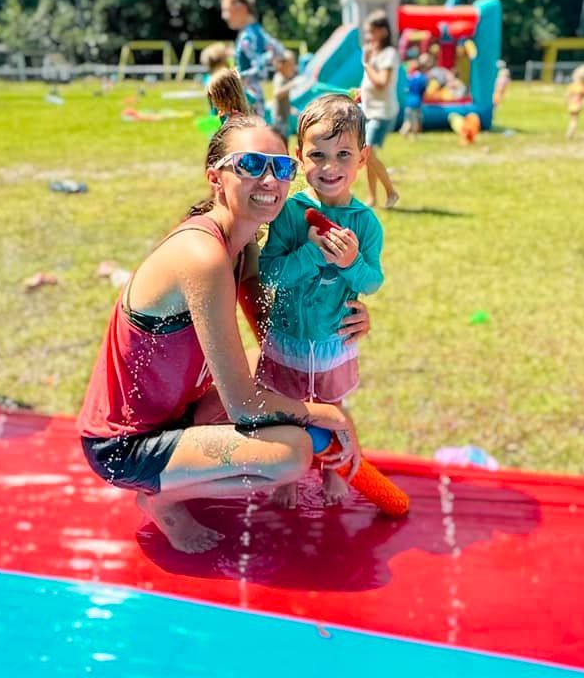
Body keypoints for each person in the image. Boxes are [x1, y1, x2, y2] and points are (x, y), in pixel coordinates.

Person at [78, 114, 371, 555]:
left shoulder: (240, 246)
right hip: (124, 446)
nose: (269, 179)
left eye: (281, 167)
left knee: (269, 376)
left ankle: (181, 476)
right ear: (215, 177)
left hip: (178, 414)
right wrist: (323, 415)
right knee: (291, 453)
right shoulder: (203, 256)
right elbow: (244, 406)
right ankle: (162, 500)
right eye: (251, 164)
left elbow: (272, 335)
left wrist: (348, 316)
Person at [257, 94, 384, 507]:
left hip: (333, 341)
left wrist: (350, 263)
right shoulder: (289, 213)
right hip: (287, 338)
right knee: (285, 409)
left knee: (332, 407)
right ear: (299, 157)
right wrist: (311, 253)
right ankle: (287, 476)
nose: (330, 167)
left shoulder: (366, 223)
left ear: (362, 158)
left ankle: (333, 469)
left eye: (343, 154)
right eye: (318, 155)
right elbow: (269, 274)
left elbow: (372, 281)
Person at [220, 0, 285, 118]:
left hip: (249, 102)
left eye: (227, 10)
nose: (224, 16)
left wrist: (233, 78)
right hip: (254, 100)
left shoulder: (247, 37)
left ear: (241, 8)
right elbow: (280, 51)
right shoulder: (256, 31)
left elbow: (259, 69)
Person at [360, 10, 400, 209]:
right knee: (369, 156)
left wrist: (366, 64)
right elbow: (370, 82)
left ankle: (392, 193)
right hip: (369, 110)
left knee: (367, 153)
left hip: (382, 113)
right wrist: (361, 93)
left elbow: (382, 83)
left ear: (383, 32)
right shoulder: (375, 53)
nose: (368, 36)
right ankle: (372, 198)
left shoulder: (389, 54)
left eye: (372, 32)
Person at [400, 52, 431, 139]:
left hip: (408, 101)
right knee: (416, 120)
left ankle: (403, 131)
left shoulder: (411, 77)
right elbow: (424, 90)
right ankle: (415, 136)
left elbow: (406, 89)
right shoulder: (423, 78)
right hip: (416, 101)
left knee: (408, 119)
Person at [271, 48, 298, 140]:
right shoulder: (280, 78)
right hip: (279, 120)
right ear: (282, 66)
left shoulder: (285, 78)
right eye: (291, 65)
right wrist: (290, 85)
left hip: (284, 118)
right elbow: (277, 93)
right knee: (281, 142)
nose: (293, 68)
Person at [566, 63, 584, 139]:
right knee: (574, 119)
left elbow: (567, 94)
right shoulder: (583, 86)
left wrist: (567, 102)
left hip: (571, 104)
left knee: (572, 118)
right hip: (578, 104)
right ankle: (570, 132)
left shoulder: (573, 85)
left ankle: (570, 132)